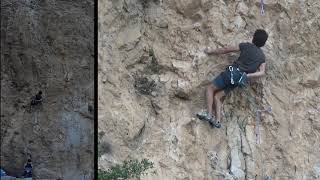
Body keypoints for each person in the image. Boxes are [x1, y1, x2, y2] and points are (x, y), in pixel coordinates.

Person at [197, 29, 268, 128]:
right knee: (217, 96)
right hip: (238, 80)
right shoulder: (262, 57)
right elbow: (262, 72)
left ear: (253, 37)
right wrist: (247, 76)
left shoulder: (246, 46)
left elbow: (226, 49)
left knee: (210, 88)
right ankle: (217, 121)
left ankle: (208, 114)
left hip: (231, 73)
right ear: (263, 43)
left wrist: (211, 51)